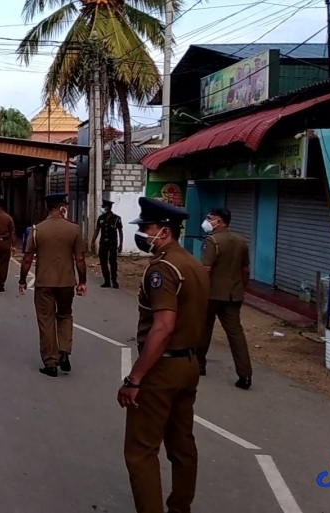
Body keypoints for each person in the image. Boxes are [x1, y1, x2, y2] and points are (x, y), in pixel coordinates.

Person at [117, 197, 209, 513]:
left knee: (141, 451)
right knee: (182, 445)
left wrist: (135, 378)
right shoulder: (193, 265)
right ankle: (180, 507)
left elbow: (163, 327)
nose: (142, 234)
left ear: (165, 232)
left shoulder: (163, 269)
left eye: (147, 228)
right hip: (189, 365)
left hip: (162, 368)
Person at [18, 193, 87, 377]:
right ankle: (64, 352)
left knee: (46, 321)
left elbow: (27, 259)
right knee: (65, 315)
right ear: (62, 207)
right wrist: (82, 282)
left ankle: (50, 362)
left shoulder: (37, 230)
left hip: (44, 283)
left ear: (47, 208)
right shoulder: (74, 229)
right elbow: (80, 258)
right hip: (66, 282)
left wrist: (22, 280)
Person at [198, 207, 253, 389]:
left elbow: (206, 269)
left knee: (204, 330)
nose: (207, 221)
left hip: (212, 294)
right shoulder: (241, 242)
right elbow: (245, 270)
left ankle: (199, 365)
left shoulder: (212, 241)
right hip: (233, 295)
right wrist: (241, 288)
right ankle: (245, 375)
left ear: (219, 222)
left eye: (210, 218)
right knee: (236, 334)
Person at [92, 199, 123, 288]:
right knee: (103, 262)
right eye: (103, 206)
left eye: (105, 207)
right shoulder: (101, 218)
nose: (104, 208)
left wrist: (120, 244)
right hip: (103, 243)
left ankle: (114, 281)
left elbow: (120, 232)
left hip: (113, 243)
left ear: (109, 207)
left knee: (113, 262)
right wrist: (93, 241)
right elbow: (97, 230)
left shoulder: (117, 218)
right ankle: (106, 281)